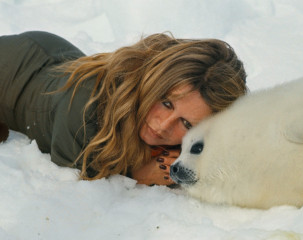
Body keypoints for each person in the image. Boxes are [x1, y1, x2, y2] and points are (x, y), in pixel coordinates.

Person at [0, 31, 247, 186]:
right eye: (166, 103)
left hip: (50, 53)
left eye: (186, 123)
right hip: (12, 66)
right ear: (153, 80)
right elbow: (74, 185)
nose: (163, 125)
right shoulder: (85, 108)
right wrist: (136, 174)